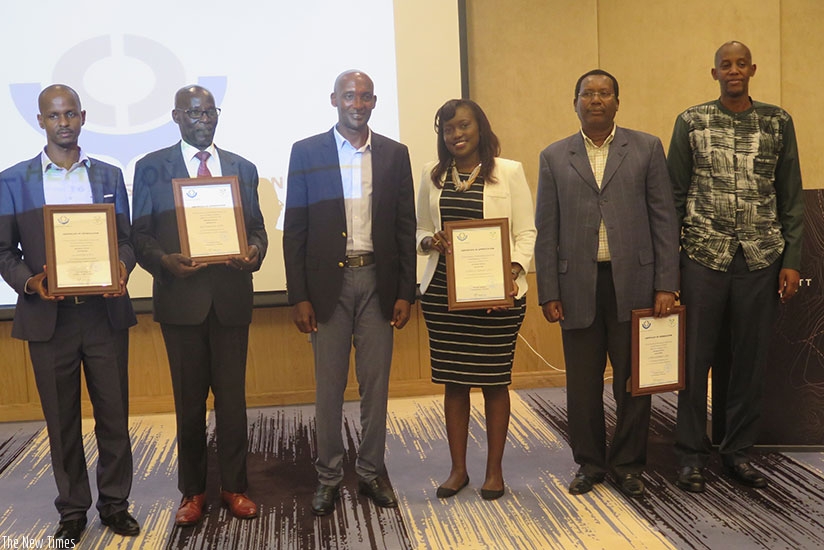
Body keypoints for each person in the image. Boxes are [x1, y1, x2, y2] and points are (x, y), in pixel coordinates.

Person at [0, 84, 139, 545]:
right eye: (53, 115)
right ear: (41, 121)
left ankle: (115, 505)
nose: (63, 122)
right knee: (61, 422)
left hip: (103, 315)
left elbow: (125, 238)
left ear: (82, 117)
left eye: (70, 114)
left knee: (113, 416)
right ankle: (73, 510)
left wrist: (121, 266)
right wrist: (28, 282)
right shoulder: (12, 180)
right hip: (48, 317)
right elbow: (4, 251)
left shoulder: (108, 176)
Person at [534, 70, 680, 497]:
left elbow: (663, 219)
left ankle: (629, 463)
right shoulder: (554, 156)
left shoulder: (647, 147)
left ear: (617, 101)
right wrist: (549, 291)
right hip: (576, 285)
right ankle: (590, 464)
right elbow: (548, 227)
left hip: (635, 282)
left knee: (633, 381)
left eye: (604, 93)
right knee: (582, 384)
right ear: (574, 101)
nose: (596, 100)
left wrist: (666, 284)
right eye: (587, 93)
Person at [668, 41, 804, 493]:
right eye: (725, 65)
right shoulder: (690, 122)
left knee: (749, 360)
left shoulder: (777, 121)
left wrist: (791, 262)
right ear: (714, 73)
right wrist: (671, 269)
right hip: (703, 256)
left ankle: (737, 452)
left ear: (753, 70)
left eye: (740, 64)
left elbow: (790, 197)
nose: (733, 71)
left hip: (761, 258)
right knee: (694, 359)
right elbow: (673, 197)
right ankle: (690, 454)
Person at [132, 85, 267, 525]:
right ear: (176, 116)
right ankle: (192, 492)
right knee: (189, 405)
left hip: (230, 301)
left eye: (210, 111)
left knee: (232, 403)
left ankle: (234, 486)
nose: (203, 119)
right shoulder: (152, 168)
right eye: (194, 112)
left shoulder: (243, 169)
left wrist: (255, 252)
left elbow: (258, 231)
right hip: (181, 303)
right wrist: (164, 263)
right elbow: (141, 235)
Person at [283, 70, 416, 516]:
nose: (356, 103)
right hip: (326, 289)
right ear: (333, 100)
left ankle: (372, 472)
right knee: (329, 389)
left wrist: (405, 292)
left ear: (375, 102)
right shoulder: (307, 152)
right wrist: (298, 295)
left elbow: (403, 226)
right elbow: (295, 229)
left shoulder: (395, 154)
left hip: (379, 282)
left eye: (364, 96)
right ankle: (328, 477)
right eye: (348, 96)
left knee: (376, 386)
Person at [416, 99, 535, 500]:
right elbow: (419, 230)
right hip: (444, 298)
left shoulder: (509, 172)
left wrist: (511, 275)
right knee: (454, 383)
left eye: (463, 126)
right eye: (448, 130)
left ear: (480, 127)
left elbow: (527, 233)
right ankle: (457, 470)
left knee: (494, 382)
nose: (456, 135)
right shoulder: (432, 178)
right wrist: (430, 241)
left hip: (497, 299)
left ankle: (494, 472)